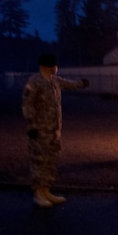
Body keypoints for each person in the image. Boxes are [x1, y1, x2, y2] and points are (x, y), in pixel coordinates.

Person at [22, 53, 89, 208]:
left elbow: (70, 83)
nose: (56, 67)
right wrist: (32, 126)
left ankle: (46, 190)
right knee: (39, 161)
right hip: (39, 132)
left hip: (54, 131)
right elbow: (27, 105)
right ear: (48, 66)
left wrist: (82, 83)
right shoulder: (34, 82)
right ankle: (38, 193)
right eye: (54, 64)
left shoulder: (55, 81)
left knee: (51, 161)